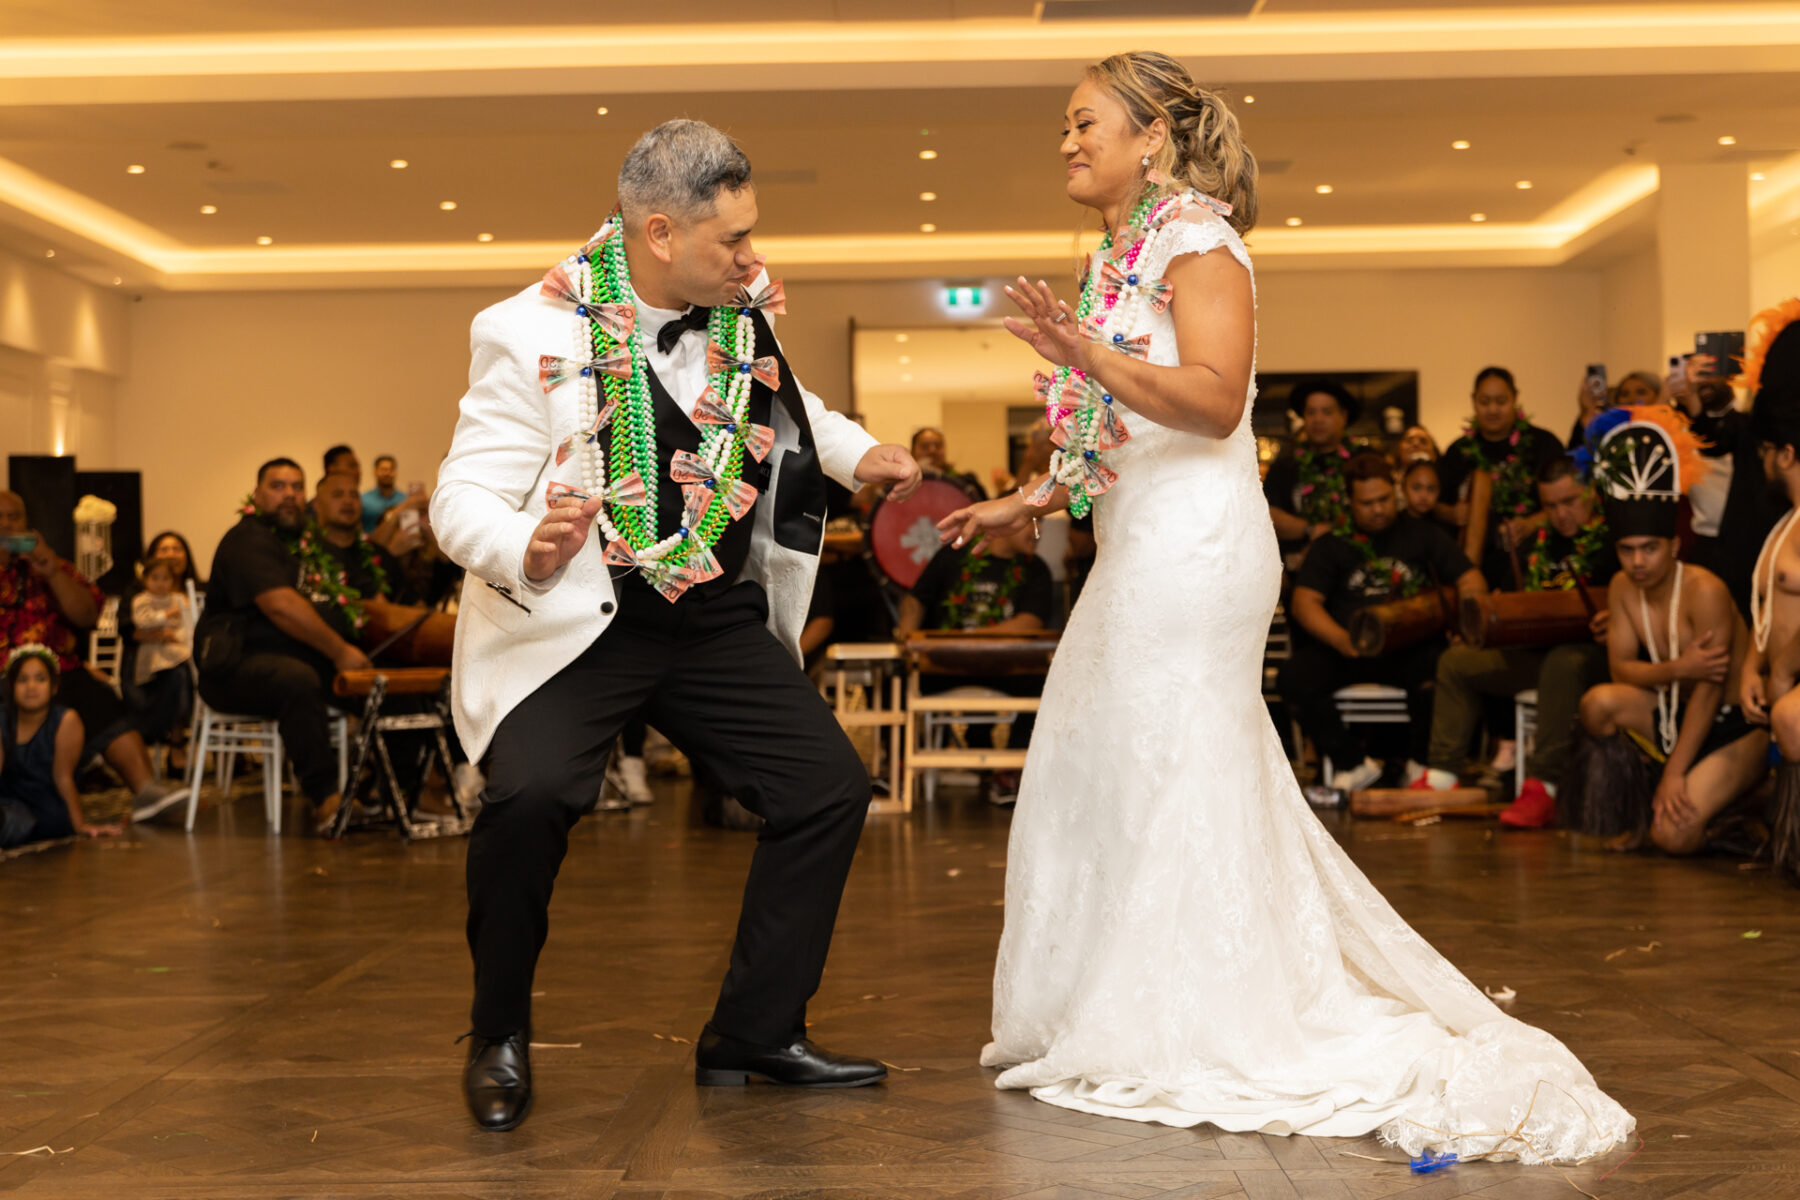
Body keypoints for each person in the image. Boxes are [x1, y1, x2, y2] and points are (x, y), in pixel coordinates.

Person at [937, 50, 1630, 1163]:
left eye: (1084, 123)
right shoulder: (1114, 256)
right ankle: (1112, 998)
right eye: (1063, 126)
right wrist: (1030, 498)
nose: (1066, 143)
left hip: (1198, 544)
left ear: (1151, 139)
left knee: (1176, 757)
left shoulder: (1200, 244)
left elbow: (1216, 404)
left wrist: (1086, 352)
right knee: (1108, 756)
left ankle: (1200, 1012)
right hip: (1136, 538)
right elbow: (1115, 431)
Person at [430, 118, 922, 1132]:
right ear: (660, 233)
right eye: (732, 237)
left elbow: (785, 404)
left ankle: (754, 1030)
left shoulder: (740, 312)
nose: (751, 255)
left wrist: (858, 453)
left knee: (826, 788)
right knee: (526, 800)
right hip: (582, 619)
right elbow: (460, 497)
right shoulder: (528, 331)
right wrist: (526, 545)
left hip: (709, 614)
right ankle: (498, 1034)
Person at [1563, 407, 1768, 854]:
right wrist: (1679, 669)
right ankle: (1638, 812)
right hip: (1674, 712)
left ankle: (1745, 806)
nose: (1637, 562)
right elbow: (1621, 670)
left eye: (1649, 549)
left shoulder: (1705, 590)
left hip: (1733, 726)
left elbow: (1709, 692)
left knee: (1674, 837)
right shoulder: (1622, 587)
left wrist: (1674, 774)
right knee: (1597, 704)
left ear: (1674, 545)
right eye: (1627, 550)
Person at [1412, 457, 1619, 827]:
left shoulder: (1614, 542)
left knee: (1564, 661)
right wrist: (1487, 622)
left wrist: (1619, 622)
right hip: (1538, 659)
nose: (1561, 514)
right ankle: (1443, 775)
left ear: (1591, 492)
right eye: (1550, 506)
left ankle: (1544, 786)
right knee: (1456, 662)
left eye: (1569, 501)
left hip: (1600, 660)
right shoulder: (1536, 546)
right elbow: (1507, 603)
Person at [1279, 453, 1487, 791]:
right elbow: (1304, 603)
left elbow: (1470, 578)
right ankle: (1353, 764)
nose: (1378, 509)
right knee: (1294, 677)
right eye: (1367, 503)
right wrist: (1341, 640)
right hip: (1349, 650)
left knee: (1443, 668)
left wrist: (1468, 623)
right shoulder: (1331, 544)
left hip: (1409, 648)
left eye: (1384, 499)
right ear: (1350, 501)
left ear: (1396, 491)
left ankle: (1420, 765)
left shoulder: (1423, 534)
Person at [195, 460, 370, 834]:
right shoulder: (248, 540)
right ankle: (326, 798)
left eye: (296, 486)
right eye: (278, 486)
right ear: (256, 495)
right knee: (297, 679)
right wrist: (340, 652)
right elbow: (280, 606)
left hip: (291, 656)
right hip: (233, 668)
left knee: (377, 679)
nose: (289, 494)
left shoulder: (302, 543)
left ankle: (398, 787)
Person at [0, 490, 186, 823]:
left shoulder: (53, 566)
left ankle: (146, 791)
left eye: (14, 517)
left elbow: (88, 615)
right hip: (5, 675)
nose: (6, 525)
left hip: (59, 672)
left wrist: (51, 571)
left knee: (98, 695)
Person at [1737, 298, 1800, 878]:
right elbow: (1764, 614)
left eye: (1764, 452)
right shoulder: (1782, 525)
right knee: (1677, 827)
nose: (1758, 461)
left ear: (1786, 453)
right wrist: (1752, 667)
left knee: (1793, 718)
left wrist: (1784, 669)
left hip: (1792, 696)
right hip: (1773, 695)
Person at [1436, 367, 1566, 590]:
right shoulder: (1458, 451)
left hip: (1534, 562)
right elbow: (1434, 506)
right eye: (1485, 402)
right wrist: (1452, 513)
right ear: (1473, 401)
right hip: (1474, 566)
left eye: (1501, 401)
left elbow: (1567, 500)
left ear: (1515, 398)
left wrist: (1530, 523)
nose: (1493, 409)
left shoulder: (1543, 443)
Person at [1, 646, 121, 847]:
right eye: (22, 680)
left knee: (22, 821)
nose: (31, 686)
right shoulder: (3, 718)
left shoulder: (65, 720)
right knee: (10, 816)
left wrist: (80, 825)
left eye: (40, 679)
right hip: (9, 800)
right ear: (11, 687)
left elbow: (63, 777)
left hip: (45, 807)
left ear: (54, 686)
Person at [1261, 378, 1358, 549]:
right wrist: (1310, 530)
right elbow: (1266, 514)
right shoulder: (1285, 465)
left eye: (1327, 412)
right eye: (1311, 412)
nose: (1318, 419)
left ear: (1343, 416)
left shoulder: (1362, 460)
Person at [124, 556, 194, 756]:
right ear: (145, 579)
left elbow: (188, 626)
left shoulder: (179, 599)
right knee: (177, 676)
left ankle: (181, 723)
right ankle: (169, 729)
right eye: (155, 578)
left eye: (165, 578)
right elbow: (143, 621)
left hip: (178, 651)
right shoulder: (141, 600)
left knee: (186, 673)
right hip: (154, 657)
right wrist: (165, 616)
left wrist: (176, 635)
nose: (160, 583)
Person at [910, 426, 987, 499]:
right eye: (925, 446)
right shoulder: (906, 485)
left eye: (938, 446)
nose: (932, 451)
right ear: (913, 452)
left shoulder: (967, 482)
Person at [363, 454, 408, 533]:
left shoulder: (405, 500)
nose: (387, 473)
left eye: (391, 470)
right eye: (383, 470)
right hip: (371, 540)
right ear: (375, 472)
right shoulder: (364, 500)